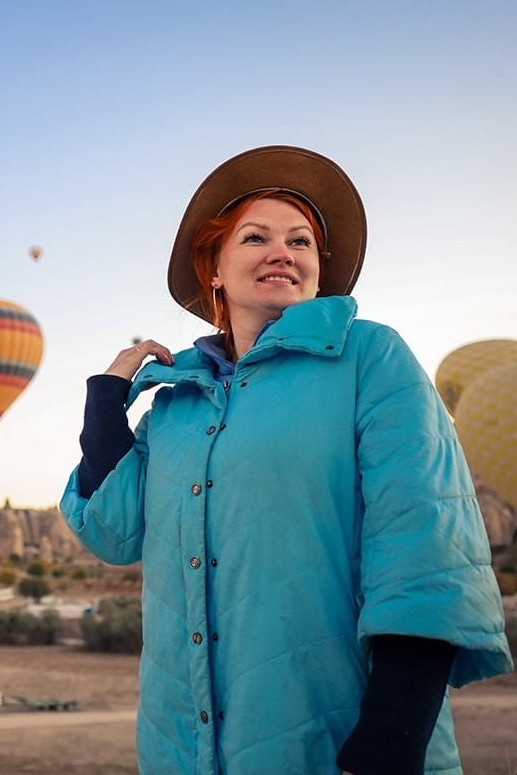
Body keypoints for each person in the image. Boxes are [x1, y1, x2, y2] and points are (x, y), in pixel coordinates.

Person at [59, 145, 513, 775]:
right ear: (213, 269)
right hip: (179, 748)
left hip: (340, 737)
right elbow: (112, 532)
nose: (283, 251)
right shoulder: (179, 404)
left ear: (317, 272)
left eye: (301, 240)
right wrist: (107, 398)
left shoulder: (367, 358)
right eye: (256, 236)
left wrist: (394, 731)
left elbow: (426, 537)